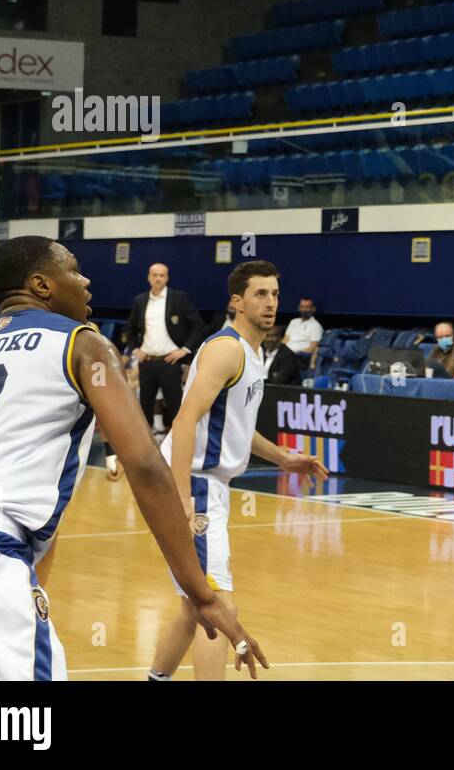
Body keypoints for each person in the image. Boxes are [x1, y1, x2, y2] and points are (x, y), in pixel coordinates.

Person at [0, 236, 265, 680]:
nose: (86, 281)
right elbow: (147, 464)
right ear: (41, 284)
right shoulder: (82, 343)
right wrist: (201, 593)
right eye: (73, 270)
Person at [149, 261, 327, 681]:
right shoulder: (226, 349)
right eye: (260, 294)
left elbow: (233, 425)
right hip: (197, 483)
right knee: (218, 607)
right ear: (237, 301)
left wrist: (284, 458)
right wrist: (183, 499)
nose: (270, 303)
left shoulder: (253, 351)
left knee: (193, 606)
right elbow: (184, 421)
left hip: (208, 483)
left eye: (275, 294)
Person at [127, 263, 205, 436]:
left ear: (167, 278)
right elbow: (130, 328)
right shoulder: (140, 300)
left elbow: (199, 326)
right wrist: (135, 350)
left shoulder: (178, 298)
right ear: (148, 277)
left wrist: (184, 350)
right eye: (154, 275)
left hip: (170, 362)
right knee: (145, 406)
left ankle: (179, 444)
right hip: (146, 362)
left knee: (175, 406)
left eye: (162, 275)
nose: (158, 278)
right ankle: (146, 448)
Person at [282, 297, 323, 367]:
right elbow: (285, 340)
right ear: (299, 308)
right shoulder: (293, 321)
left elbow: (313, 348)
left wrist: (293, 353)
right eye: (302, 307)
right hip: (284, 354)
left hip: (299, 358)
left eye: (307, 307)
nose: (304, 310)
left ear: (313, 309)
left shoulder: (316, 326)